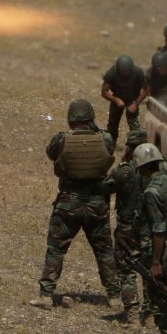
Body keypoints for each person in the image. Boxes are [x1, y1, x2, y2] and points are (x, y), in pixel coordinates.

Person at [30, 99, 122, 311]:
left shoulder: (62, 139)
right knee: (104, 251)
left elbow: (51, 153)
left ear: (71, 119)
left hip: (68, 205)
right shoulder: (105, 138)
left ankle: (46, 295)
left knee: (56, 249)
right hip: (96, 205)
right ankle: (114, 297)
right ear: (90, 117)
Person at [133, 143, 167, 334]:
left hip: (158, 247)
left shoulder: (151, 191)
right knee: (160, 292)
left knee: (158, 295)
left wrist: (155, 262)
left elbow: (158, 229)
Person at [103, 129, 148, 325]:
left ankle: (132, 314)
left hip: (128, 228)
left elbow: (106, 187)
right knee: (149, 270)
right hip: (152, 230)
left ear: (129, 148)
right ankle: (151, 313)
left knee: (126, 269)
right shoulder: (158, 170)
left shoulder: (124, 171)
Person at [101, 54, 149, 145]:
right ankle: (111, 145)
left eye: (127, 71)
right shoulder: (112, 73)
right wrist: (116, 100)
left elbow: (146, 90)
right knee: (112, 124)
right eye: (123, 71)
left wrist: (136, 103)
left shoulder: (138, 73)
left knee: (134, 125)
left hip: (132, 99)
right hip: (117, 98)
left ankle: (135, 146)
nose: (125, 73)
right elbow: (104, 92)